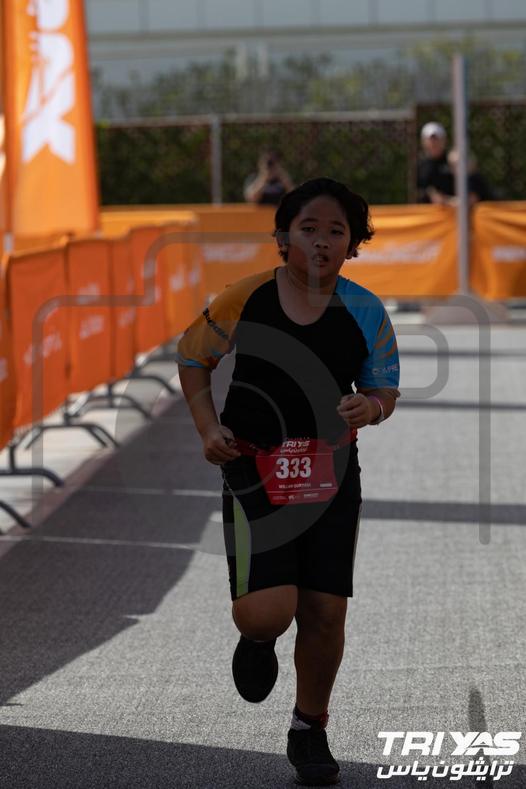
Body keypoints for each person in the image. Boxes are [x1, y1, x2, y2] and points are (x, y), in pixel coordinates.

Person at [177, 177, 400, 786]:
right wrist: (208, 428)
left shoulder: (365, 310)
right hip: (253, 471)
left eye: (336, 232)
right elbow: (193, 357)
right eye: (309, 229)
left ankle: (309, 727)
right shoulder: (244, 298)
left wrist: (371, 407)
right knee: (266, 613)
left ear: (353, 245)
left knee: (325, 611)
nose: (322, 242)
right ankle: (257, 638)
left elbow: (383, 387)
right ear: (282, 239)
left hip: (332, 474)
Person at [416, 122, 455, 204]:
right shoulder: (420, 165)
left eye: (437, 139)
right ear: (423, 142)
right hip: (427, 210)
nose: (433, 143)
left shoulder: (453, 161)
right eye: (430, 140)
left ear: (444, 140)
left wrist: (447, 200)